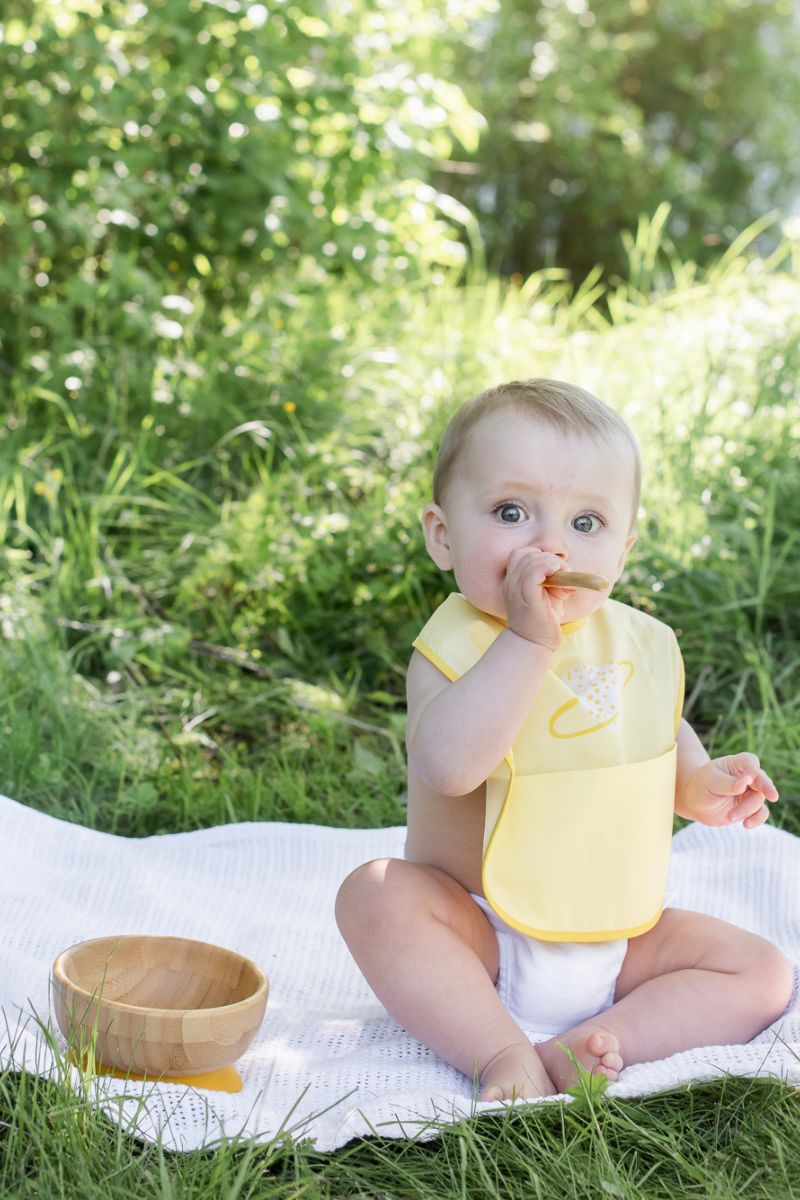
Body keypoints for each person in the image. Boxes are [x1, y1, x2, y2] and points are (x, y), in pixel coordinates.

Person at [335, 379, 793, 1101]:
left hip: (617, 936)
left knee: (762, 971)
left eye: (587, 523)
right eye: (511, 512)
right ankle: (498, 1051)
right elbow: (448, 766)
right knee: (374, 897)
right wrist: (525, 642)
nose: (550, 544)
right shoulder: (454, 648)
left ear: (623, 548)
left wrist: (705, 786)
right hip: (477, 936)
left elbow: (655, 742)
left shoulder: (635, 644)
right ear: (443, 535)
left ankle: (599, 1043)